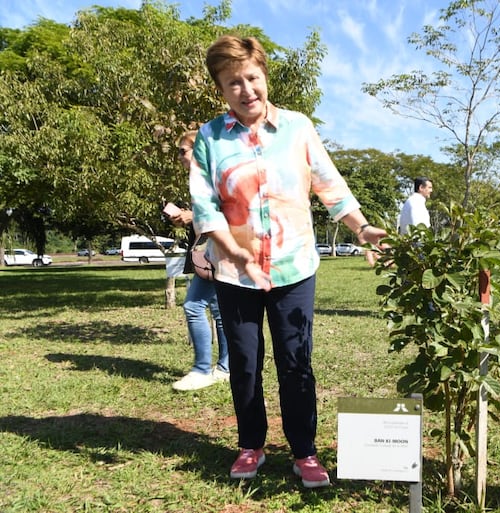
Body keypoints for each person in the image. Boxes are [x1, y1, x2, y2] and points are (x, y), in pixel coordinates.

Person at [189, 35, 387, 487]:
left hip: (294, 266)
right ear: (221, 88)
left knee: (296, 361)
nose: (246, 89)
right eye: (232, 82)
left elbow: (329, 185)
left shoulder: (298, 127)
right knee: (244, 362)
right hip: (234, 271)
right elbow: (204, 203)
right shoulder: (210, 136)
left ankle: (304, 452)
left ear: (264, 75)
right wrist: (231, 245)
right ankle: (250, 445)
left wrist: (360, 227)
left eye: (252, 77)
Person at [168, 130, 230, 392]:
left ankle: (203, 369)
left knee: (193, 305)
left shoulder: (214, 176)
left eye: (183, 151)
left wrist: (191, 215)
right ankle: (225, 367)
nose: (179, 156)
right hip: (211, 253)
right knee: (218, 312)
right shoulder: (200, 178)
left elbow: (227, 210)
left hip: (221, 251)